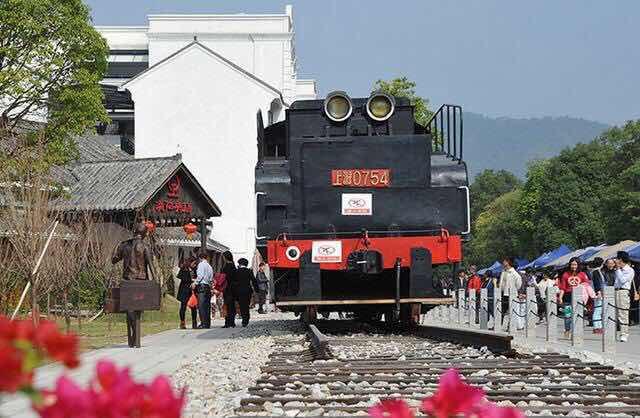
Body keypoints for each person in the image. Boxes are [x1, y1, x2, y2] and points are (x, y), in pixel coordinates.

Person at [111, 222, 156, 348]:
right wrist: (156, 282)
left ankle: (133, 337)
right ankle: (135, 335)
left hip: (128, 281)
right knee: (136, 309)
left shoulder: (124, 245)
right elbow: (151, 267)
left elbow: (113, 260)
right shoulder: (145, 247)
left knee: (129, 308)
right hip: (141, 282)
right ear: (145, 234)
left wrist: (116, 246)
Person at [557, 257, 589, 338]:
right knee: (568, 315)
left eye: (575, 264)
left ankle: (576, 332)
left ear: (578, 265)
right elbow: (563, 288)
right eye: (572, 264)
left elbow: (587, 285)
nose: (573, 266)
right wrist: (560, 297)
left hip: (579, 296)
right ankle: (567, 330)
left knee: (578, 315)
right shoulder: (565, 274)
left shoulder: (582, 274)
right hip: (568, 296)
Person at [614, 251, 635, 342]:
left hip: (623, 292)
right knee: (613, 313)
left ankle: (624, 334)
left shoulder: (629, 270)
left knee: (623, 313)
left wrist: (618, 269)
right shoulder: (618, 270)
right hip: (615, 291)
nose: (616, 261)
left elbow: (622, 280)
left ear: (621, 260)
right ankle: (612, 332)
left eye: (617, 259)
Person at [233, 258, 258, 327]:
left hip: (239, 291)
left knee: (241, 305)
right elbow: (253, 280)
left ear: (240, 264)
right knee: (246, 305)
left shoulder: (236, 271)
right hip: (248, 290)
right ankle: (246, 319)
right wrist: (256, 289)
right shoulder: (249, 271)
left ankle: (244, 319)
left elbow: (234, 282)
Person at [499, 256, 522, 329]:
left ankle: (510, 326)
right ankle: (498, 325)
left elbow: (519, 284)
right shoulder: (503, 271)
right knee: (501, 310)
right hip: (503, 293)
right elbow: (501, 283)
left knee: (511, 311)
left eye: (504, 261)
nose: (503, 263)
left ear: (508, 262)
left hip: (511, 294)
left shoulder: (514, 273)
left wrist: (513, 290)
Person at [192, 252, 213, 329]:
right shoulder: (209, 266)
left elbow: (200, 276)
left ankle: (203, 323)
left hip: (202, 286)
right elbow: (211, 278)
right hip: (207, 286)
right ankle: (207, 323)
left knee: (201, 306)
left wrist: (195, 283)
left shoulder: (201, 265)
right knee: (207, 306)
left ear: (200, 258)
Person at [176, 257, 198, 329]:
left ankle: (194, 323)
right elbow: (179, 276)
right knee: (183, 307)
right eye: (194, 263)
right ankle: (182, 323)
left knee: (193, 307)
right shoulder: (184, 269)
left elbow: (197, 277)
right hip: (184, 290)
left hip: (192, 291)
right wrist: (190, 279)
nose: (195, 265)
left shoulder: (195, 270)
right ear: (190, 263)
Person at [588, 257, 605, 334]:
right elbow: (597, 283)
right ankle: (597, 327)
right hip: (598, 292)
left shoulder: (594, 271)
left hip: (597, 292)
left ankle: (598, 326)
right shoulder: (596, 272)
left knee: (598, 309)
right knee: (598, 310)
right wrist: (599, 292)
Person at [220, 251, 236, 328]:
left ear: (225, 257)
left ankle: (228, 322)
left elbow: (224, 277)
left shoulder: (226, 267)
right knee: (232, 305)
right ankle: (232, 322)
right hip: (233, 288)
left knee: (227, 305)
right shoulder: (233, 266)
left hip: (227, 288)